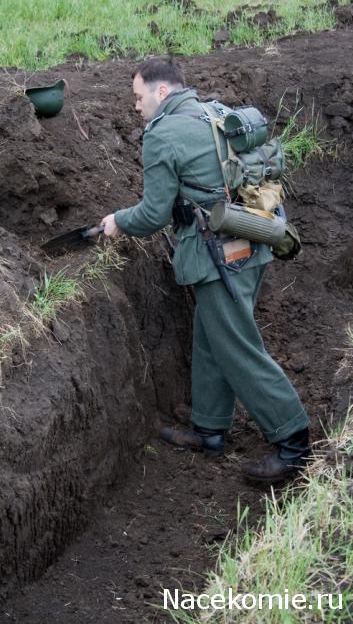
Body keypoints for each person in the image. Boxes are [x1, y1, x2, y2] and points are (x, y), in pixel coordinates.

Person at [101, 58, 310, 482]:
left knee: (237, 347)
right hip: (253, 239)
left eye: (139, 98)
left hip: (219, 257)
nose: (136, 108)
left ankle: (294, 442)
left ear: (162, 93)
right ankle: (210, 430)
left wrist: (117, 222)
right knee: (212, 337)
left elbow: (153, 214)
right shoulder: (213, 111)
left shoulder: (162, 134)